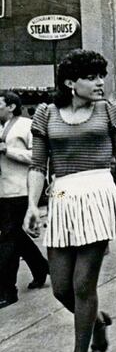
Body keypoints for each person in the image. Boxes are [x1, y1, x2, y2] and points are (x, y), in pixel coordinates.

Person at [23, 50, 116, 352]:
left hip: (98, 196)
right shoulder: (46, 114)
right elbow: (36, 166)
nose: (99, 83)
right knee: (60, 287)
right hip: (62, 199)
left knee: (83, 286)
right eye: (91, 77)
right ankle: (97, 321)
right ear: (70, 82)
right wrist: (32, 205)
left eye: (101, 76)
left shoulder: (110, 111)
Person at [0, 91, 48, 308]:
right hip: (2, 191)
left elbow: (37, 156)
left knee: (8, 239)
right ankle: (40, 267)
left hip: (21, 190)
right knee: (17, 236)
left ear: (11, 106)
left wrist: (8, 151)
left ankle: (7, 290)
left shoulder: (26, 125)